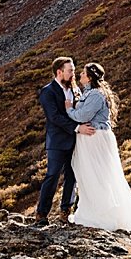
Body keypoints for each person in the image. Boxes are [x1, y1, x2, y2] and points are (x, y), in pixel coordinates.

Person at [66, 62, 131, 231]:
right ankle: (92, 210)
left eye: (83, 73)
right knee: (90, 175)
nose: (80, 76)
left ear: (89, 77)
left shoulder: (96, 95)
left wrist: (69, 109)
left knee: (99, 175)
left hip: (95, 138)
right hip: (91, 138)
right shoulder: (89, 92)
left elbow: (82, 115)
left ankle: (103, 214)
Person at [35, 56, 80, 224]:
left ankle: (66, 212)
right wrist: (76, 127)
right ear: (59, 72)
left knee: (72, 175)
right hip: (57, 142)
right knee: (52, 175)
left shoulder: (75, 89)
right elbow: (53, 117)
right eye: (70, 71)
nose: (73, 73)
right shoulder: (48, 91)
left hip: (75, 141)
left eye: (74, 70)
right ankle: (42, 214)